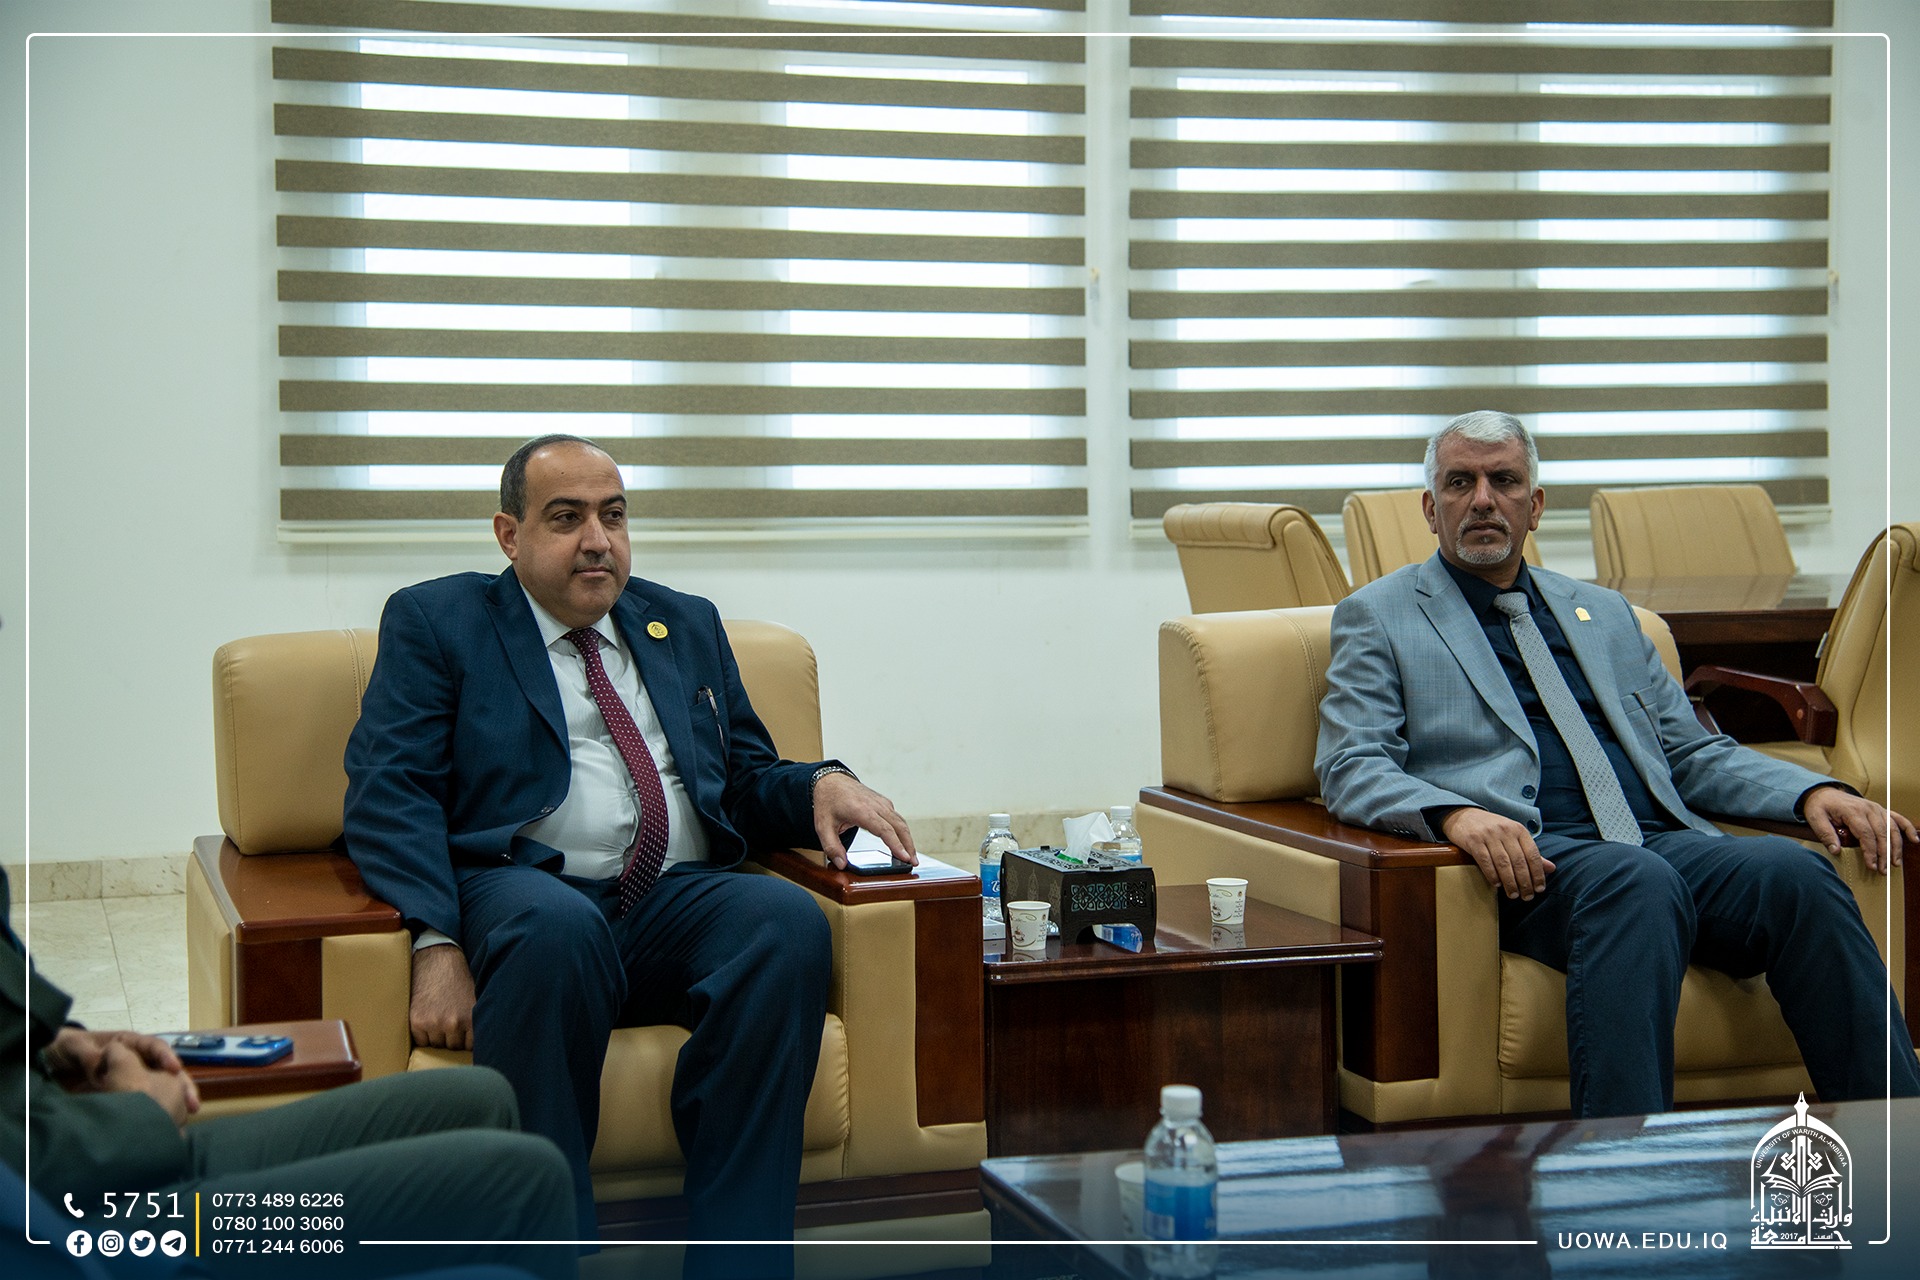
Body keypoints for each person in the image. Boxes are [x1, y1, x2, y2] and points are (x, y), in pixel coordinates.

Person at [341, 434, 916, 1269]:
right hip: (522, 888)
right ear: (509, 534)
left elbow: (743, 776)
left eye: (612, 516)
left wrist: (817, 785)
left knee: (782, 922)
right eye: (565, 518)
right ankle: (541, 1256)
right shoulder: (440, 622)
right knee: (556, 930)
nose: (597, 541)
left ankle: (738, 1259)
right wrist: (435, 943)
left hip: (668, 900)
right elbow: (389, 788)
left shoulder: (682, 621)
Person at [1315, 410, 1920, 1118]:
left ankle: (1896, 1145)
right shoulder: (1380, 615)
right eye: (1459, 483)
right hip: (1532, 863)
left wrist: (1810, 792)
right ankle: (1621, 1168)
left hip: (1657, 842)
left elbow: (1689, 751)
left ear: (1535, 505)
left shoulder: (1602, 613)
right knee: (1637, 882)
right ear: (1431, 508)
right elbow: (1352, 762)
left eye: (1504, 481)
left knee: (1799, 875)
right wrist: (1454, 814)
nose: (1482, 499)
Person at [1, 868, 575, 1280]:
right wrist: (144, 1111)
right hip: (85, 1225)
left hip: (79, 1146)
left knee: (479, 1098)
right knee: (525, 1179)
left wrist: (51, 1041)